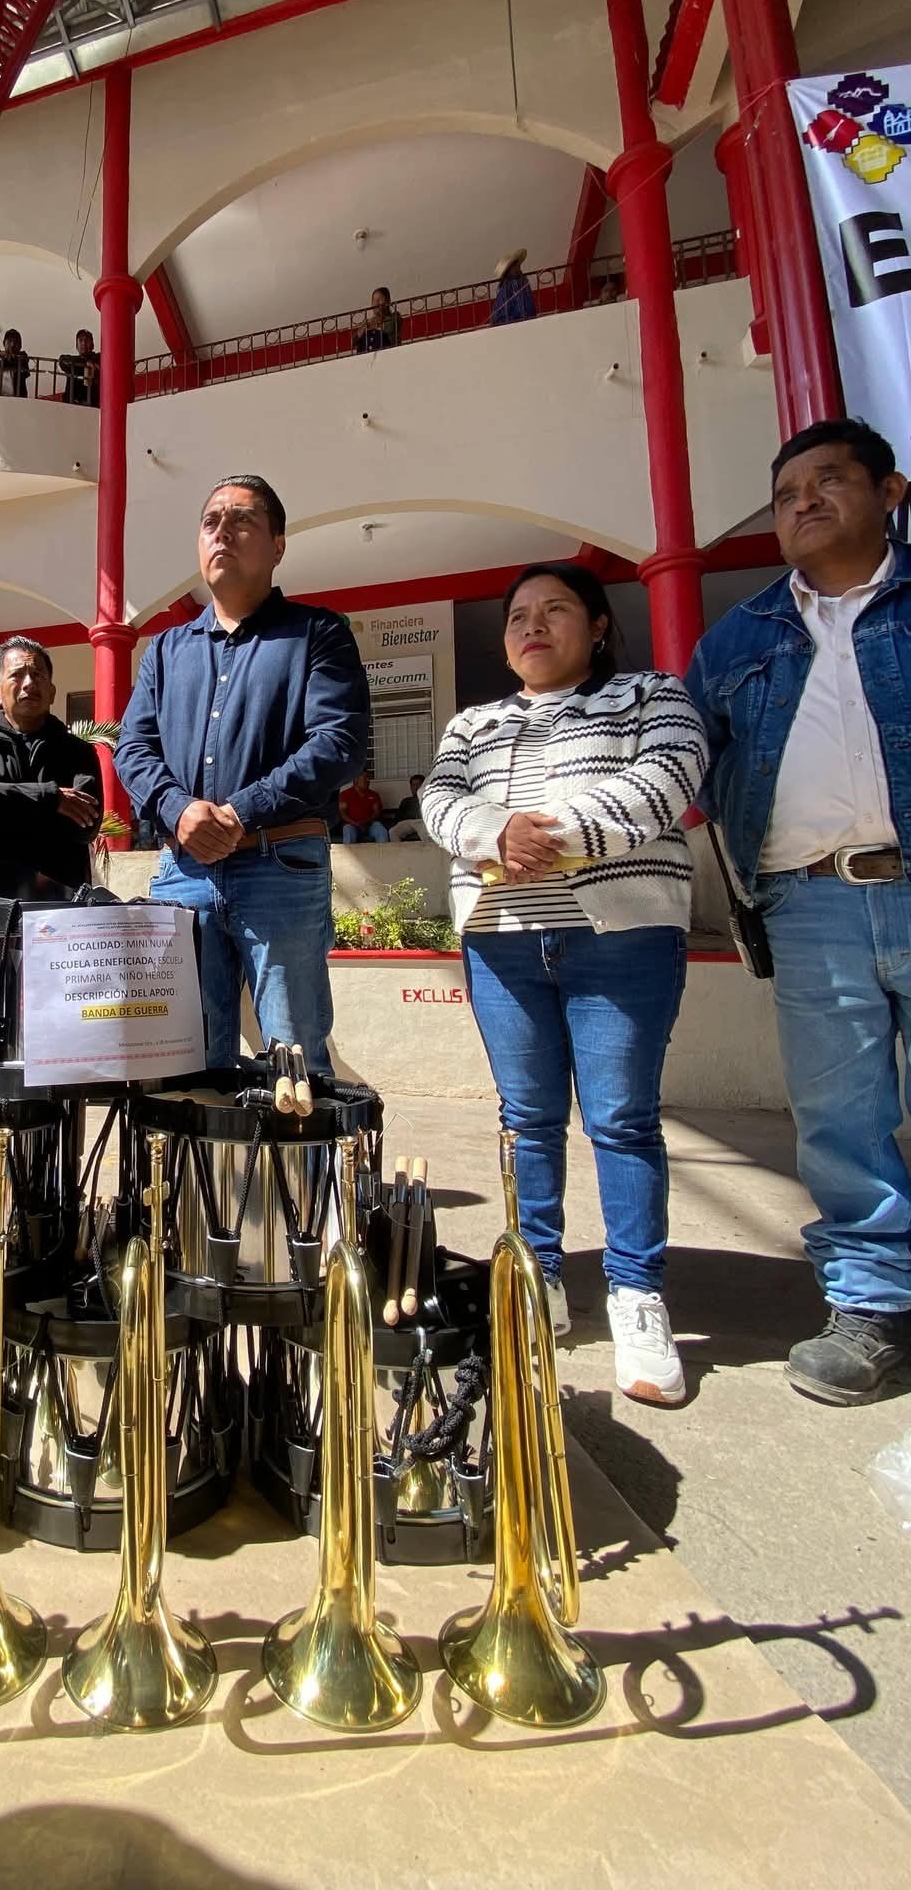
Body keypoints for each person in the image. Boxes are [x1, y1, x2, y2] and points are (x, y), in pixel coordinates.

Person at [423, 561, 707, 1407]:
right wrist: (489, 834)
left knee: (622, 1120)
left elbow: (670, 777)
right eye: (517, 616)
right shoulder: (473, 723)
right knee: (528, 1120)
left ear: (598, 626)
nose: (531, 627)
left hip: (620, 937)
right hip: (504, 943)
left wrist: (553, 835)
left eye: (554, 611)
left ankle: (636, 1294)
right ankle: (537, 1277)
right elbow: (441, 800)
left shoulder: (651, 696)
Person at [688, 418, 911, 1404]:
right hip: (811, 899)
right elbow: (677, 757)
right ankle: (873, 1303)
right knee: (840, 1118)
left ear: (889, 492)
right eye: (786, 494)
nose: (804, 502)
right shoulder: (739, 637)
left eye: (828, 480)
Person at [116, 474, 368, 1071]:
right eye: (210, 522)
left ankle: (295, 1170)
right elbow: (133, 747)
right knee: (183, 1061)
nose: (222, 532)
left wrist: (237, 812)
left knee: (294, 1061)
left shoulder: (318, 634)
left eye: (243, 520)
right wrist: (179, 809)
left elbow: (339, 743)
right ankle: (190, 1171)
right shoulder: (164, 650)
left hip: (280, 866)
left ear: (278, 545)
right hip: (183, 873)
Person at [0, 636, 102, 890]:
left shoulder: (78, 752)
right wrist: (49, 799)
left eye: (38, 675)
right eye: (17, 675)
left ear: (52, 692)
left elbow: (85, 825)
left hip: (60, 909)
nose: (29, 683)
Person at [339, 769, 390, 845]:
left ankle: (386, 855)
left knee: (380, 829)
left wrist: (366, 821)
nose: (368, 780)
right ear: (356, 779)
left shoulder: (374, 795)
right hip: (352, 825)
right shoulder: (345, 794)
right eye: (365, 777)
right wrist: (356, 824)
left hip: (370, 825)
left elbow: (376, 812)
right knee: (348, 830)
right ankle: (347, 856)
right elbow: (342, 813)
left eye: (369, 778)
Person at [490, 248, 537, 326]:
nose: (518, 267)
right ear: (508, 270)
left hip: (524, 318)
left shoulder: (522, 281)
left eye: (517, 265)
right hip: (512, 320)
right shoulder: (509, 285)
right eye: (515, 266)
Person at [352, 287, 402, 354]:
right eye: (374, 300)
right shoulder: (368, 322)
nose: (376, 303)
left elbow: (390, 328)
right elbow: (353, 342)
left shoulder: (395, 316)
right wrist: (363, 329)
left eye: (379, 299)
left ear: (387, 301)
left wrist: (376, 324)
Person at [58, 329, 100, 408]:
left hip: (91, 406)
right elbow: (62, 360)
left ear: (92, 344)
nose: (83, 343)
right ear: (77, 345)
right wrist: (85, 363)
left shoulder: (98, 359)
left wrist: (91, 364)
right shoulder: (71, 360)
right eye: (80, 340)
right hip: (71, 404)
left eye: (87, 340)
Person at [0, 329, 31, 399]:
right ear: (4, 343)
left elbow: (21, 364)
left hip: (19, 399)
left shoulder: (22, 358)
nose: (12, 345)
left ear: (20, 346)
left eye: (16, 342)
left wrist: (9, 357)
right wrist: (0, 354)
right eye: (10, 341)